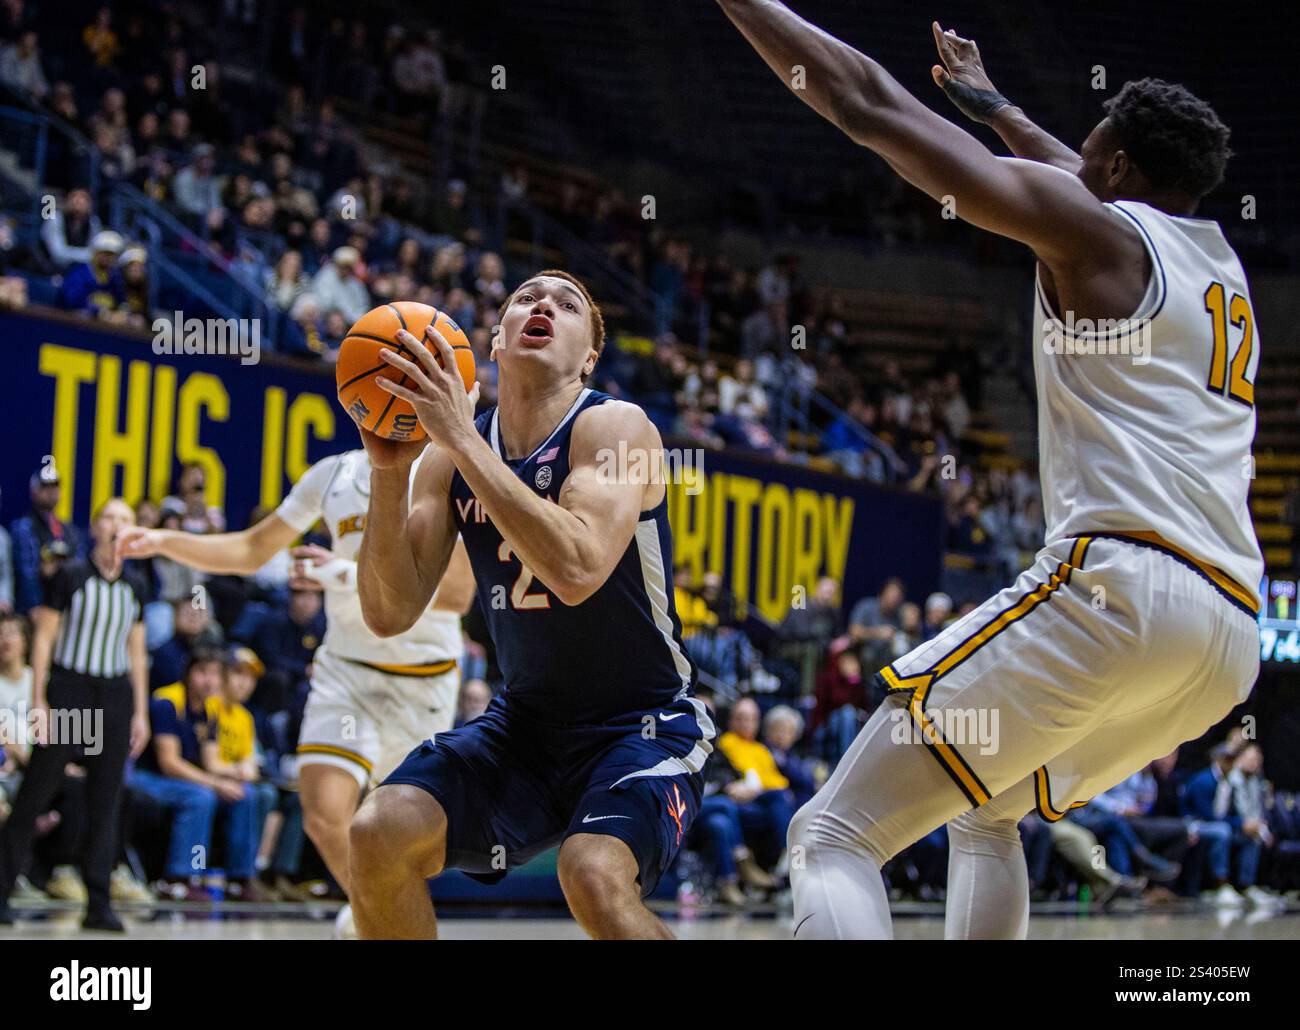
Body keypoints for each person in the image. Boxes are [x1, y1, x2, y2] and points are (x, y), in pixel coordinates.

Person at [718, 2, 1261, 939]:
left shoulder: (1099, 235)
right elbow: (1071, 173)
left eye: (1090, 153)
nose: (1071, 164)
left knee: (835, 832)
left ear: (1119, 170)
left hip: (1122, 591)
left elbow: (866, 105)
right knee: (988, 809)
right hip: (1225, 639)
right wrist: (995, 107)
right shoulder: (1217, 268)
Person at [348, 269, 714, 939]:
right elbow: (389, 612)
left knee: (594, 876)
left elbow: (576, 568)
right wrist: (389, 470)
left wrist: (458, 440)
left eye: (568, 303)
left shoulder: (616, 427)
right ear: (495, 336)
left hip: (644, 723)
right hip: (525, 726)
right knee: (378, 832)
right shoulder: (449, 455)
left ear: (589, 357)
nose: (544, 303)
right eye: (526, 298)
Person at [116, 448, 476, 938]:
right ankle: (375, 907)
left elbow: (456, 596)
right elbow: (250, 549)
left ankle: (383, 909)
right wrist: (162, 540)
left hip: (424, 678)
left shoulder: (441, 466)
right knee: (325, 815)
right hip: (346, 670)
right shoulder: (333, 475)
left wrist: (342, 576)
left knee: (403, 838)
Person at [0, 499, 149, 932]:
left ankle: (98, 903)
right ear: (97, 526)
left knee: (107, 800)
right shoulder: (70, 575)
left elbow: (137, 653)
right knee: (38, 790)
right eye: (109, 517)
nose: (117, 524)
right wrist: (39, 698)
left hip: (115, 694)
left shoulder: (136, 584)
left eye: (125, 518)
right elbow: (44, 638)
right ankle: (3, 888)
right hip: (72, 690)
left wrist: (139, 712)